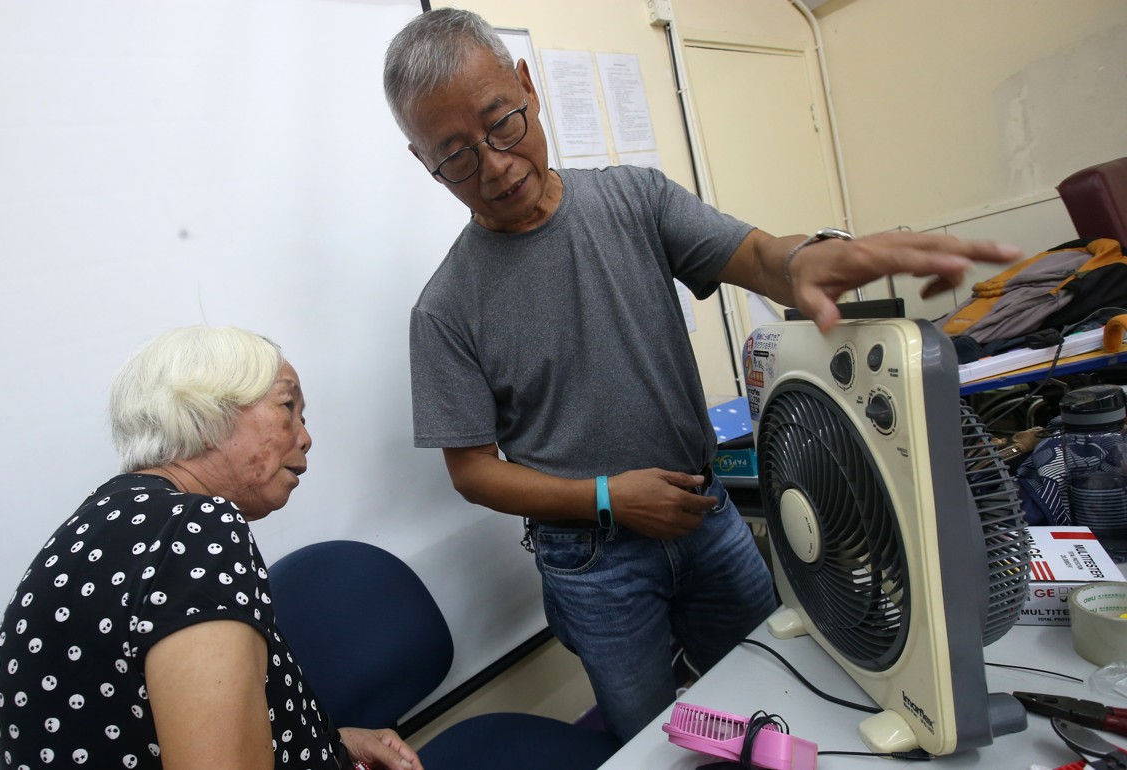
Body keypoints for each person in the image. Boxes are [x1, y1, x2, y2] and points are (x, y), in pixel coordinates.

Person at [382, 8, 1022, 743]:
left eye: (503, 123)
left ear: (526, 84)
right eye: (456, 156)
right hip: (592, 563)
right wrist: (604, 499)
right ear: (421, 160)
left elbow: (755, 259)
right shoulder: (445, 308)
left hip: (706, 514)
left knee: (784, 690)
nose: (495, 166)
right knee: (655, 737)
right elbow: (472, 472)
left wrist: (805, 260)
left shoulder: (634, 199)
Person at [0, 326, 421, 770]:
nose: (305, 437)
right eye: (288, 406)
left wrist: (328, 744)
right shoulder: (195, 527)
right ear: (207, 412)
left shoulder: (90, 532)